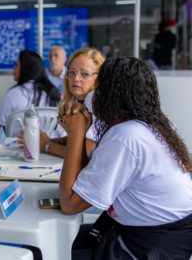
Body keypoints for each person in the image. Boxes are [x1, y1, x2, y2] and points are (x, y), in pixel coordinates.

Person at [57, 57, 192, 259]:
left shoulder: (126, 137)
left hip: (151, 246)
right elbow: (87, 177)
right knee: (64, 240)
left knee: (58, 249)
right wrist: (82, 129)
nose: (93, 95)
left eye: (99, 88)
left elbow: (69, 204)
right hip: (162, 233)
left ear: (111, 95)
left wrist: (76, 135)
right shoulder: (151, 125)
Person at [17, 48, 105, 156]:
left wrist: (48, 146)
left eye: (85, 74)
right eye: (72, 72)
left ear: (99, 78)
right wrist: (55, 141)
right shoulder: (76, 100)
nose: (76, 78)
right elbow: (82, 138)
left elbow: (85, 155)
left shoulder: (96, 104)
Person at [0, 50, 61, 137]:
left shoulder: (13, 94)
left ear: (25, 69)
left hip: (18, 146)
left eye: (16, 65)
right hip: (50, 146)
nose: (13, 68)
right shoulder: (53, 92)